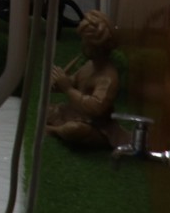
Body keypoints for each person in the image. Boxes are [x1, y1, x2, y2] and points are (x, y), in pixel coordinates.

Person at [46, 9, 122, 147]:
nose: (82, 45)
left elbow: (95, 108)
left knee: (74, 129)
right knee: (47, 110)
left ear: (97, 47)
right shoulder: (89, 65)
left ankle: (54, 130)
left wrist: (68, 89)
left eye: (85, 42)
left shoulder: (108, 78)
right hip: (75, 113)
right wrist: (60, 82)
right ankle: (58, 125)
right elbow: (74, 81)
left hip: (96, 125)